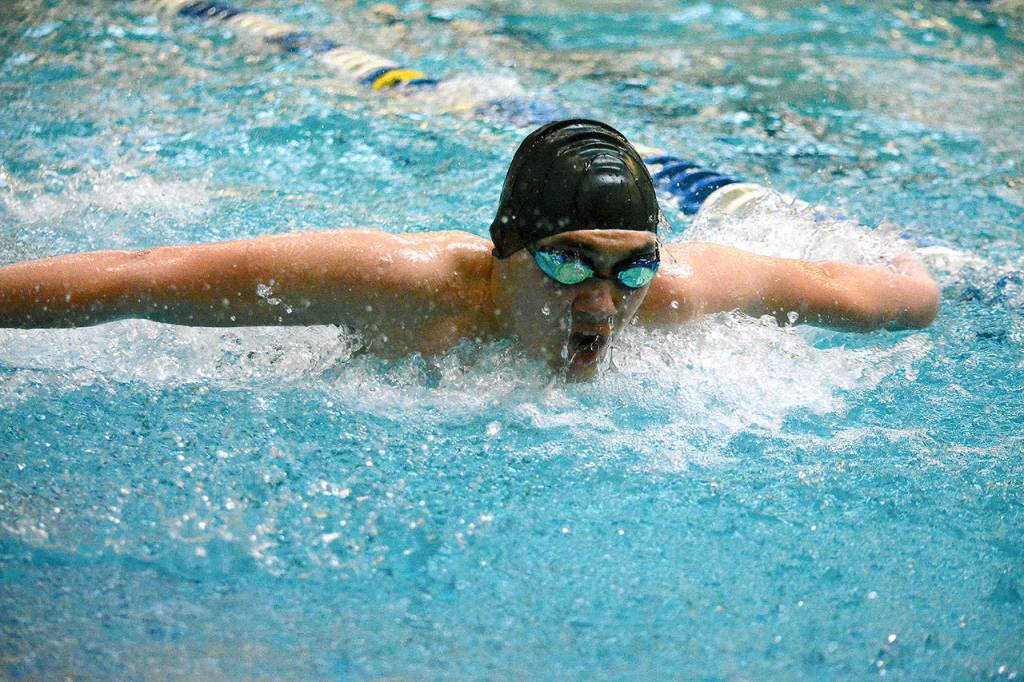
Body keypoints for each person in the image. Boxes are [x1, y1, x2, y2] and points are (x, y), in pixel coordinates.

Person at [0, 119, 939, 380]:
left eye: (632, 267)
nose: (604, 302)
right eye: (571, 262)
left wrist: (913, 272)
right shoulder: (401, 286)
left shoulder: (683, 298)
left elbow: (860, 293)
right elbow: (138, 280)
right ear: (506, 250)